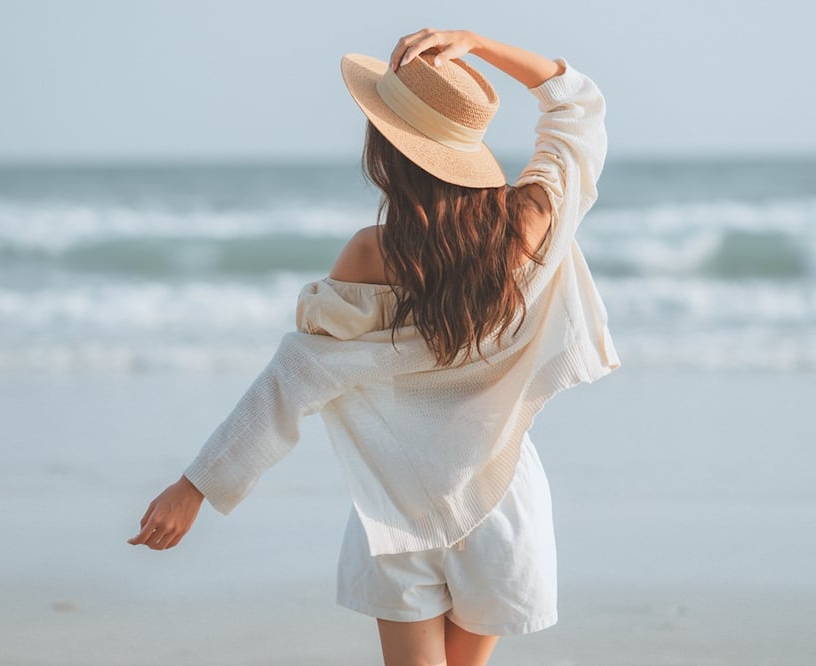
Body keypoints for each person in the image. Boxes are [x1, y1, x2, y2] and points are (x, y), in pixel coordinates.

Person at [128, 28, 619, 666]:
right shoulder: (532, 222)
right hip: (501, 495)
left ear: (387, 146)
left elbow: (293, 380)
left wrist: (195, 486)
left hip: (397, 506)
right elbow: (575, 104)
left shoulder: (371, 252)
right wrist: (477, 44)